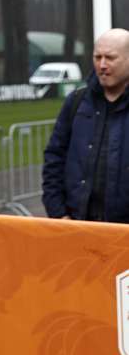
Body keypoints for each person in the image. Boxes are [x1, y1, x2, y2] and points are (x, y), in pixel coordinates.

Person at [43, 28, 129, 223]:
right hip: (79, 229)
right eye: (97, 57)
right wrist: (58, 213)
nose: (102, 65)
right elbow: (54, 158)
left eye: (110, 58)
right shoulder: (76, 102)